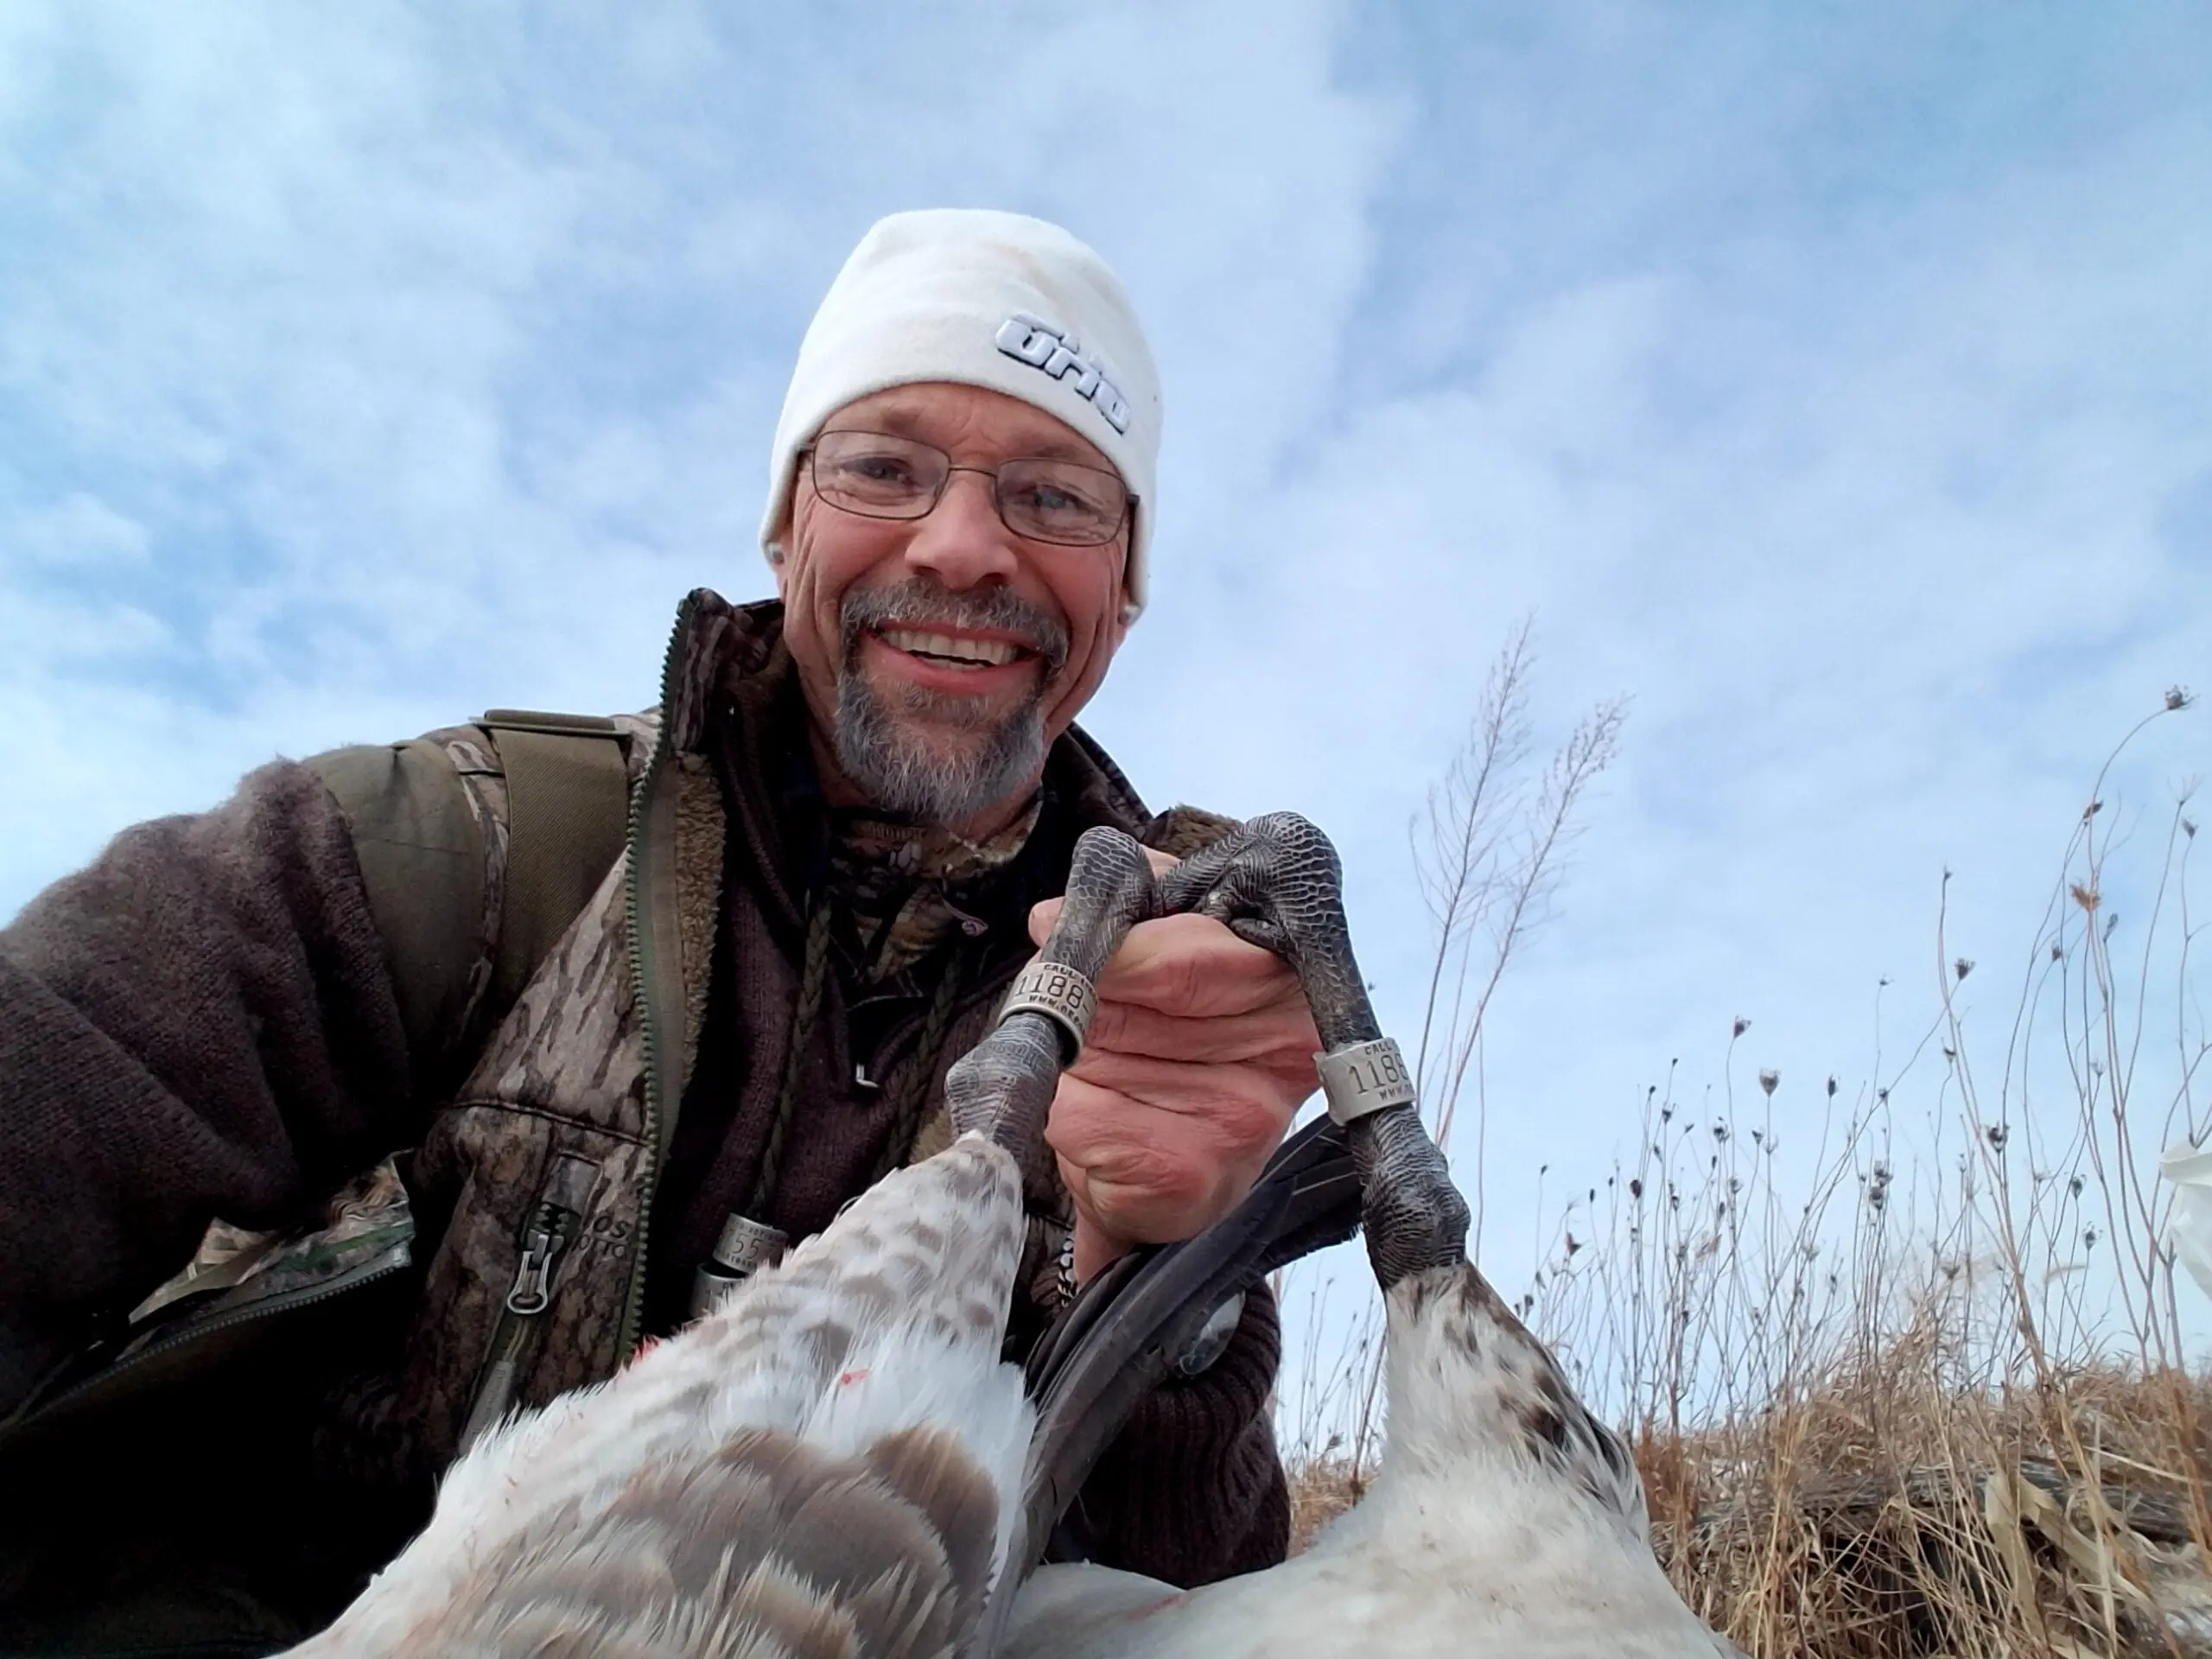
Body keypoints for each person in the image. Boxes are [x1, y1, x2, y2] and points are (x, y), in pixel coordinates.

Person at [0, 208, 1322, 1650]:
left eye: (1057, 497)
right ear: (785, 519)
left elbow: (1191, 1593)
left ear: (1123, 589)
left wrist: (1177, 1277)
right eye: (885, 465)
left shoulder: (1173, 1001)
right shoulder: (470, 853)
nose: (961, 547)